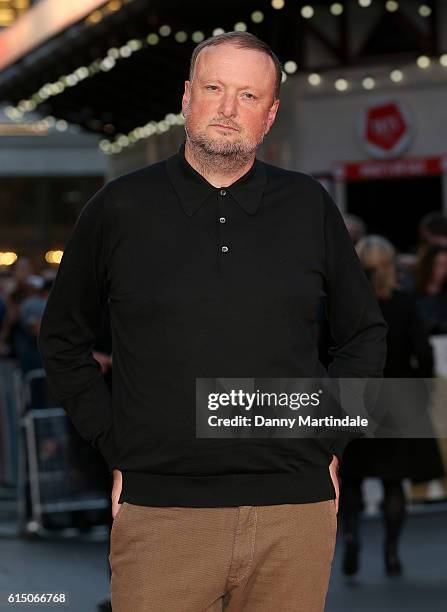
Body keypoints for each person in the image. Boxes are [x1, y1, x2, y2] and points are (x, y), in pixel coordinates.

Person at [38, 31, 387, 612]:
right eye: (215, 88)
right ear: (186, 97)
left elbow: (364, 334)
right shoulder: (119, 208)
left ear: (271, 114)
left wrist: (330, 439)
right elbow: (62, 338)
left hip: (292, 517)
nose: (228, 109)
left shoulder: (308, 205)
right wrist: (113, 442)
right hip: (163, 516)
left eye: (249, 96)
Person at [338, 236, 445, 577]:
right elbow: (424, 352)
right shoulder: (403, 303)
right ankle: (391, 553)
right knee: (392, 481)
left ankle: (352, 535)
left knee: (351, 478)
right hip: (397, 397)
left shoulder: (344, 306)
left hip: (356, 397)